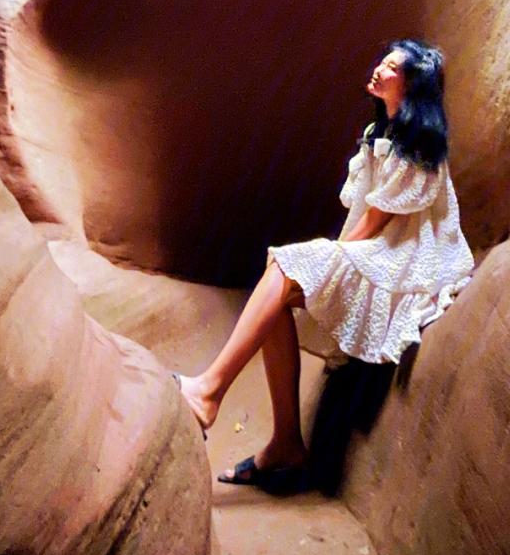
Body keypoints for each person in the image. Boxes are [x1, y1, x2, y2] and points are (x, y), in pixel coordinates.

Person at [177, 40, 473, 489]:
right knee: (279, 283)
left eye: (391, 68)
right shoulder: (382, 136)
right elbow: (365, 217)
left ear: (411, 84)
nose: (378, 70)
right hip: (376, 247)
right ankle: (285, 444)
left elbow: (377, 221)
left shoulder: (420, 147)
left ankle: (208, 394)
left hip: (406, 259)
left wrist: (330, 259)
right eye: (382, 61)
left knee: (288, 265)